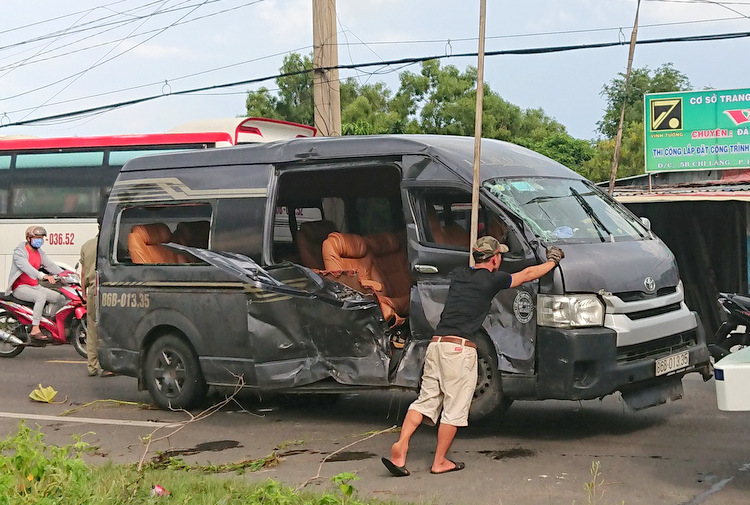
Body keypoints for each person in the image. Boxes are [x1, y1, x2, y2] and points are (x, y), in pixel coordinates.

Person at [382, 236, 564, 476]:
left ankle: (402, 446)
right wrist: (552, 261)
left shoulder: (459, 274)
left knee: (425, 402)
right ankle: (439, 461)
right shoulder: (493, 280)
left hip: (436, 345)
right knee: (454, 409)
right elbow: (528, 274)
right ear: (495, 258)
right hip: (459, 349)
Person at [5, 225, 65, 342]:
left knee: (60, 298)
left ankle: (48, 324)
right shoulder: (20, 252)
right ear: (28, 238)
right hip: (20, 287)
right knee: (41, 297)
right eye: (37, 237)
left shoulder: (39, 253)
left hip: (34, 286)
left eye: (42, 238)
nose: (40, 240)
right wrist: (43, 276)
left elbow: (50, 265)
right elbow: (27, 268)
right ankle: (35, 329)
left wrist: (67, 274)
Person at [80, 232, 109, 376]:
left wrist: (84, 295)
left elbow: (83, 273)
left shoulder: (87, 245)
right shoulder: (111, 243)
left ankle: (92, 366)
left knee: (92, 329)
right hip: (106, 291)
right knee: (106, 329)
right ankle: (107, 366)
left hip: (92, 291)